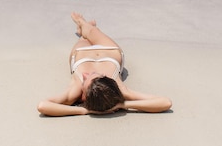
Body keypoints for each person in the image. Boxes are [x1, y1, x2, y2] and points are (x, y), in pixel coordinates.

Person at [37, 12, 172, 116]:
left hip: (82, 54)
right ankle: (83, 25)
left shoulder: (74, 93)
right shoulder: (121, 90)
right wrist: (123, 103)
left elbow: (43, 106)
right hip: (110, 52)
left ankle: (82, 28)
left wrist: (84, 111)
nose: (84, 74)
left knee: (85, 36)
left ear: (83, 96)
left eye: (84, 80)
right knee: (93, 32)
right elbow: (165, 102)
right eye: (92, 75)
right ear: (105, 77)